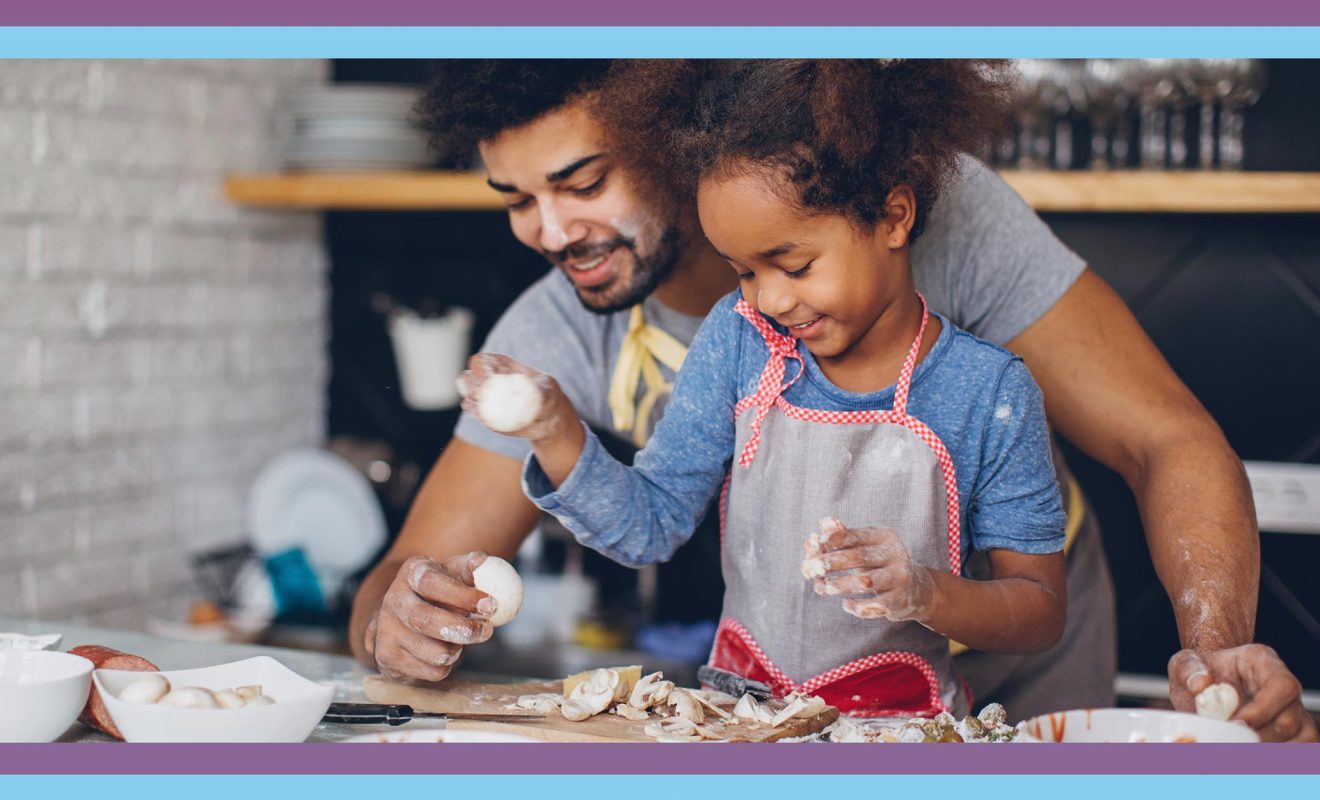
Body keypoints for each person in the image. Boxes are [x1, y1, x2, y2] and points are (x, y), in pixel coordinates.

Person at [348, 59, 1315, 740]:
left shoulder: (919, 212)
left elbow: (1166, 440)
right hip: (790, 704)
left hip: (1023, 670)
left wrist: (1216, 650)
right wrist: (399, 617)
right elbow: (403, 578)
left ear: (669, 139)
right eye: (514, 199)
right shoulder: (574, 327)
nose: (552, 232)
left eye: (583, 181)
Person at [457, 60, 1068, 718]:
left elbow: (1037, 612)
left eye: (794, 264)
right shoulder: (741, 340)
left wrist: (924, 592)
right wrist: (556, 431)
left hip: (898, 733)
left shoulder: (988, 393)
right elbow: (648, 527)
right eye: (742, 271)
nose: (770, 298)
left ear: (893, 217)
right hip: (741, 721)